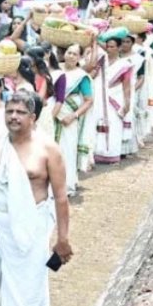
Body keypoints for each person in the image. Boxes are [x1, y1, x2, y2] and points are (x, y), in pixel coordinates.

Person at [0, 90, 73, 306]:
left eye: (21, 112)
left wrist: (63, 238)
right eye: (10, 111)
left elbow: (60, 197)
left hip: (32, 227)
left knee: (29, 288)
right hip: (0, 225)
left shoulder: (48, 149)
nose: (14, 116)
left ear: (33, 117)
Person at [52, 44, 95, 196]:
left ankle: (66, 184)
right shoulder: (56, 70)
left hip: (69, 117)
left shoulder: (81, 76)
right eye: (69, 52)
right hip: (52, 115)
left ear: (80, 58)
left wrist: (74, 115)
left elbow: (89, 100)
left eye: (75, 54)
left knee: (67, 150)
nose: (71, 56)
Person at [92, 37, 133, 164]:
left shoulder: (125, 65)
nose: (109, 49)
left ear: (119, 48)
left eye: (112, 47)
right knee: (97, 124)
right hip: (98, 98)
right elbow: (93, 75)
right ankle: (96, 153)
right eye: (108, 46)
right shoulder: (101, 60)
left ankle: (112, 155)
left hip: (114, 99)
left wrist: (127, 103)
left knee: (113, 126)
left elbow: (126, 86)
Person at [120, 36, 142, 156]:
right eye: (123, 41)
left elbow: (141, 78)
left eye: (127, 42)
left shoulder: (138, 59)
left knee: (128, 117)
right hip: (116, 91)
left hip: (130, 90)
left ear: (133, 43)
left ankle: (126, 149)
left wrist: (131, 90)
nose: (125, 44)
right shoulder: (116, 57)